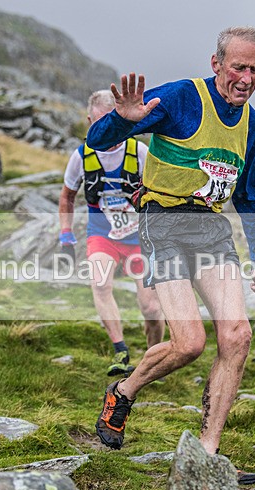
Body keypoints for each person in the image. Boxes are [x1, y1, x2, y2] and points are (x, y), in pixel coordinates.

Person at [89, 27, 255, 482]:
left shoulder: (252, 123)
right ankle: (124, 391)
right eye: (238, 67)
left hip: (211, 230)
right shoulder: (181, 98)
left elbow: (248, 192)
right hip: (164, 225)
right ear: (217, 65)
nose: (246, 79)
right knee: (190, 343)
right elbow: (98, 139)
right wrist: (123, 119)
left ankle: (206, 456)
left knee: (237, 336)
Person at [58, 90, 165, 376]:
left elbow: (160, 194)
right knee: (101, 284)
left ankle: (153, 359)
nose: (106, 132)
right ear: (90, 121)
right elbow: (67, 196)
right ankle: (121, 351)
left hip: (140, 240)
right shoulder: (80, 157)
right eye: (99, 124)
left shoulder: (139, 152)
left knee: (151, 309)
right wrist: (66, 235)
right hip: (102, 235)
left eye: (112, 123)